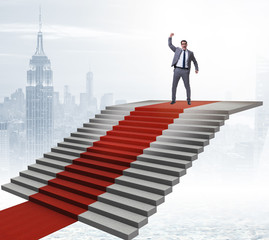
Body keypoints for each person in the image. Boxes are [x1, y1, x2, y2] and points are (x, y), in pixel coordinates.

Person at [168, 33, 199, 105]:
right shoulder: (177, 50)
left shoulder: (190, 53)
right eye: (182, 44)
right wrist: (170, 37)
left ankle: (188, 100)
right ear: (181, 45)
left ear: (187, 44)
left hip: (185, 71)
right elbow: (170, 45)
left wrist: (196, 68)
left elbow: (195, 61)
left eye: (185, 44)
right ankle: (173, 100)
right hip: (177, 70)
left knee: (187, 86)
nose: (184, 45)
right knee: (174, 85)